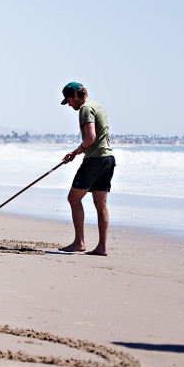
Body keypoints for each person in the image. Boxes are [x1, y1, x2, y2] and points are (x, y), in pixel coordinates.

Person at [59, 82, 114, 256]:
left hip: (94, 161)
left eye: (68, 100)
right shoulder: (98, 106)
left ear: (75, 94)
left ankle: (79, 242)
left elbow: (90, 137)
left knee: (73, 198)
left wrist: (76, 152)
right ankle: (102, 247)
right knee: (100, 204)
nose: (69, 104)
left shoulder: (85, 109)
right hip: (107, 159)